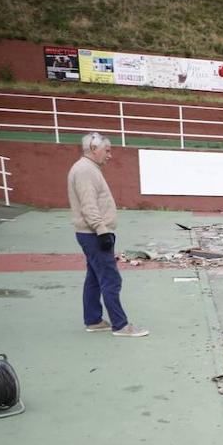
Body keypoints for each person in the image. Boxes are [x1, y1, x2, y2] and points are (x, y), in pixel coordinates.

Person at [68, 131, 147, 337]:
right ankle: (120, 325)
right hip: (94, 233)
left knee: (94, 277)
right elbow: (88, 205)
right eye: (107, 151)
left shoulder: (87, 168)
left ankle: (93, 320)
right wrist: (102, 231)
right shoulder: (85, 171)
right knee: (111, 279)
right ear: (93, 149)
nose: (110, 155)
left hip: (91, 232)